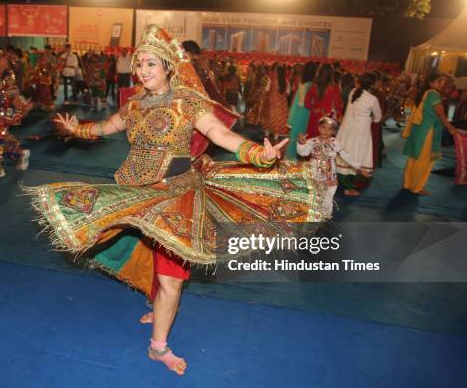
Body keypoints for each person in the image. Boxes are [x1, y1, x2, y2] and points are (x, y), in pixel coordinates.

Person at [25, 25, 324, 376]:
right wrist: (77, 129)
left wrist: (258, 153)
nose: (143, 71)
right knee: (146, 253)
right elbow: (107, 127)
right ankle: (158, 305)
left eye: (151, 63)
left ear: (168, 66)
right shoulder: (134, 104)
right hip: (135, 194)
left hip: (175, 196)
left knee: (172, 279)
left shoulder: (187, 102)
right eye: (139, 64)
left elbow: (219, 133)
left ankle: (158, 347)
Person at [298, 117, 370, 218]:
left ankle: (326, 214)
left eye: (330, 129)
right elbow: (303, 153)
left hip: (329, 172)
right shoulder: (312, 141)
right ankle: (313, 212)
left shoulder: (334, 142)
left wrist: (359, 167)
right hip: (314, 170)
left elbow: (345, 155)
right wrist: (301, 143)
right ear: (319, 128)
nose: (326, 131)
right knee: (314, 192)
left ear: (334, 131)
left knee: (329, 193)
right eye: (323, 127)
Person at [402, 73, 457, 195]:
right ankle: (416, 187)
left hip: (419, 129)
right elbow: (441, 114)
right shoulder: (433, 94)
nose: (442, 83)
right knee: (424, 160)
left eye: (443, 81)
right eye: (439, 81)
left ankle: (408, 184)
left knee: (414, 158)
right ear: (431, 83)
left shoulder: (427, 93)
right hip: (427, 131)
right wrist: (450, 127)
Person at [335, 73, 382, 196]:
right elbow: (378, 118)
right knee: (356, 156)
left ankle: (342, 185)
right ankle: (348, 188)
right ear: (372, 84)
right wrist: (369, 119)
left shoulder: (353, 92)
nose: (378, 83)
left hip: (346, 128)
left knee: (345, 154)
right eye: (377, 81)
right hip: (360, 131)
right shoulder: (372, 99)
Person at [286, 62, 317, 159]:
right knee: (301, 135)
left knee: (298, 135)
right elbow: (302, 102)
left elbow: (299, 103)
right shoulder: (311, 85)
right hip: (305, 113)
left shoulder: (304, 84)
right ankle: (295, 157)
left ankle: (294, 157)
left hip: (301, 113)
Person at [305, 63, 343, 137]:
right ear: (332, 73)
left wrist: (315, 109)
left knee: (313, 140)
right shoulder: (334, 87)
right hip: (328, 117)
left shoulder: (314, 85)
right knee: (325, 141)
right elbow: (338, 105)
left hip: (315, 115)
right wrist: (338, 116)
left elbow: (306, 103)